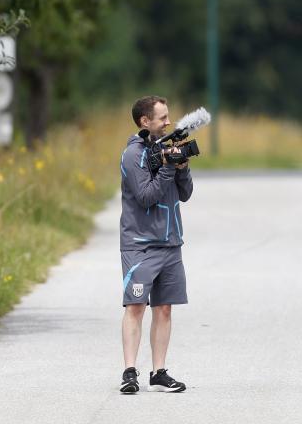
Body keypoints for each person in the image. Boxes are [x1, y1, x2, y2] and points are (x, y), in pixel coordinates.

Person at [118, 95, 194, 394]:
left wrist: (182, 166)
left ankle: (158, 372)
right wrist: (166, 168)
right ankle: (129, 371)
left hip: (171, 242)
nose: (168, 122)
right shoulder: (132, 155)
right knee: (135, 306)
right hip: (140, 244)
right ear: (144, 121)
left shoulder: (167, 149)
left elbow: (185, 194)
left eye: (168, 116)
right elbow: (146, 196)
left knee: (164, 309)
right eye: (162, 118)